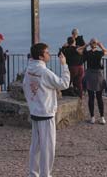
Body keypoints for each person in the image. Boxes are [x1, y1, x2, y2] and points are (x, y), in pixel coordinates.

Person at [23, 43, 70, 177]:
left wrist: (32, 103)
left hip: (35, 112)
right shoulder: (44, 72)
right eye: (47, 52)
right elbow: (64, 84)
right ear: (40, 56)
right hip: (46, 113)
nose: (49, 54)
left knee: (35, 147)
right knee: (48, 149)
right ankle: (45, 175)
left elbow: (26, 86)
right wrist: (64, 65)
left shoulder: (29, 69)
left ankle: (33, 174)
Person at [79, 38, 107, 124]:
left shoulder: (87, 53)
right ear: (96, 44)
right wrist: (101, 45)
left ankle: (92, 118)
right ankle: (102, 118)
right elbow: (106, 52)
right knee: (99, 98)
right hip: (98, 76)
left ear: (91, 44)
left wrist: (86, 45)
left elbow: (79, 50)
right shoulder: (99, 53)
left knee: (91, 97)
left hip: (90, 75)